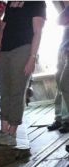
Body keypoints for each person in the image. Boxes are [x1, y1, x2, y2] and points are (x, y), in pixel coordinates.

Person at [0, 1, 46, 146]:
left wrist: (32, 58)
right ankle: (2, 131)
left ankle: (12, 134)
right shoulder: (11, 2)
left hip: (24, 50)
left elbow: (38, 32)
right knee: (4, 91)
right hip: (6, 50)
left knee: (17, 91)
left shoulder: (37, 2)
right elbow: (3, 28)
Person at [48, 4, 69, 134]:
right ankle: (59, 118)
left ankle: (67, 120)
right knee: (59, 86)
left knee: (65, 85)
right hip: (63, 50)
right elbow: (59, 20)